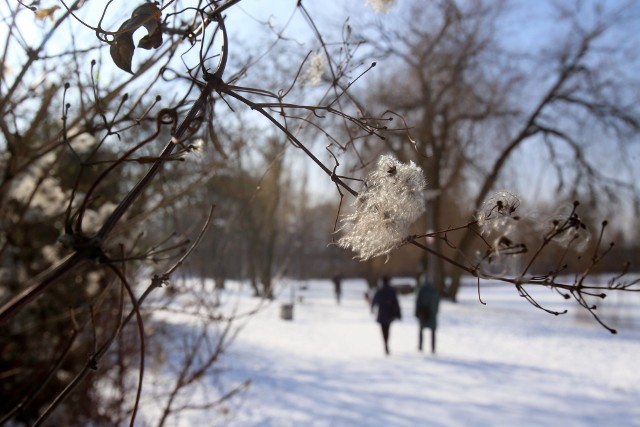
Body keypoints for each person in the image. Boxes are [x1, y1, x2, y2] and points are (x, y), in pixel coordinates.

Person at [371, 276, 402, 355]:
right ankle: (386, 343)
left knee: (383, 330)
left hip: (382, 314)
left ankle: (385, 344)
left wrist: (372, 308)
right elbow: (396, 303)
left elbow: (374, 301)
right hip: (389, 314)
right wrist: (398, 314)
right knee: (387, 330)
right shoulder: (391, 291)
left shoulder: (380, 290)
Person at [415, 278, 440, 354]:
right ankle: (433, 348)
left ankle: (420, 346)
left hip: (423, 313)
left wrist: (417, 312)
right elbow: (437, 302)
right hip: (432, 313)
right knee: (433, 331)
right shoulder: (434, 290)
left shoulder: (421, 290)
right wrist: (435, 311)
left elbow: (418, 301)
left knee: (421, 330)